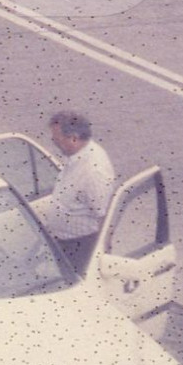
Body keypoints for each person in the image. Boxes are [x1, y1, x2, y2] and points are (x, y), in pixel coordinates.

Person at [31, 110, 117, 269]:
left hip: (81, 247)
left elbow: (102, 215)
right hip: (64, 242)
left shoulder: (94, 171)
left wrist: (101, 254)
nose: (54, 142)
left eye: (57, 139)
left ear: (74, 139)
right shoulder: (76, 156)